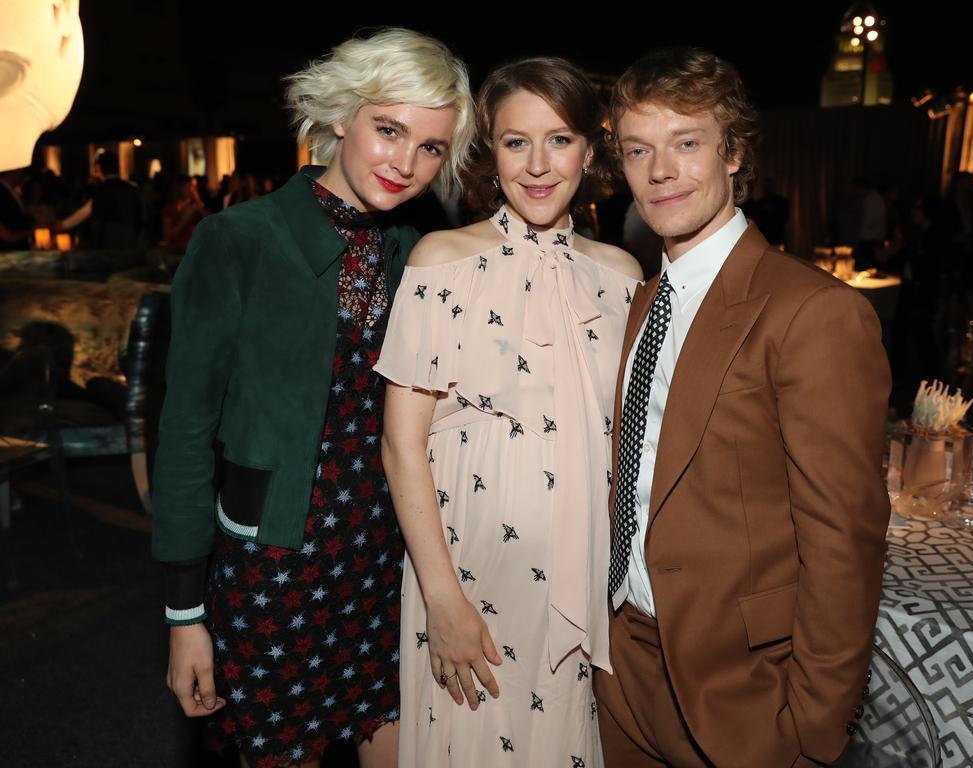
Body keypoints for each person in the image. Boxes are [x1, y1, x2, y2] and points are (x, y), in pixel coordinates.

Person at [151, 28, 474, 768]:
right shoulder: (238, 240)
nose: (406, 163)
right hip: (276, 568)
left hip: (387, 563)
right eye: (388, 130)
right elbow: (184, 436)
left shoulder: (421, 246)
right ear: (339, 116)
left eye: (430, 147)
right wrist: (184, 615)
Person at [594, 47, 891, 767]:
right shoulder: (636, 300)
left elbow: (842, 542)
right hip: (619, 669)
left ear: (734, 154)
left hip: (741, 693)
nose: (660, 171)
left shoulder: (815, 313)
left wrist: (811, 735)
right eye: (639, 150)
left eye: (686, 144)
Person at [375, 57, 642, 767]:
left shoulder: (622, 277)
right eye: (516, 141)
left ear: (590, 149)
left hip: (586, 587)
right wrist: (444, 600)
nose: (537, 164)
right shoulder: (441, 260)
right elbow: (402, 447)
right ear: (491, 154)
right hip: (471, 585)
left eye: (559, 139)